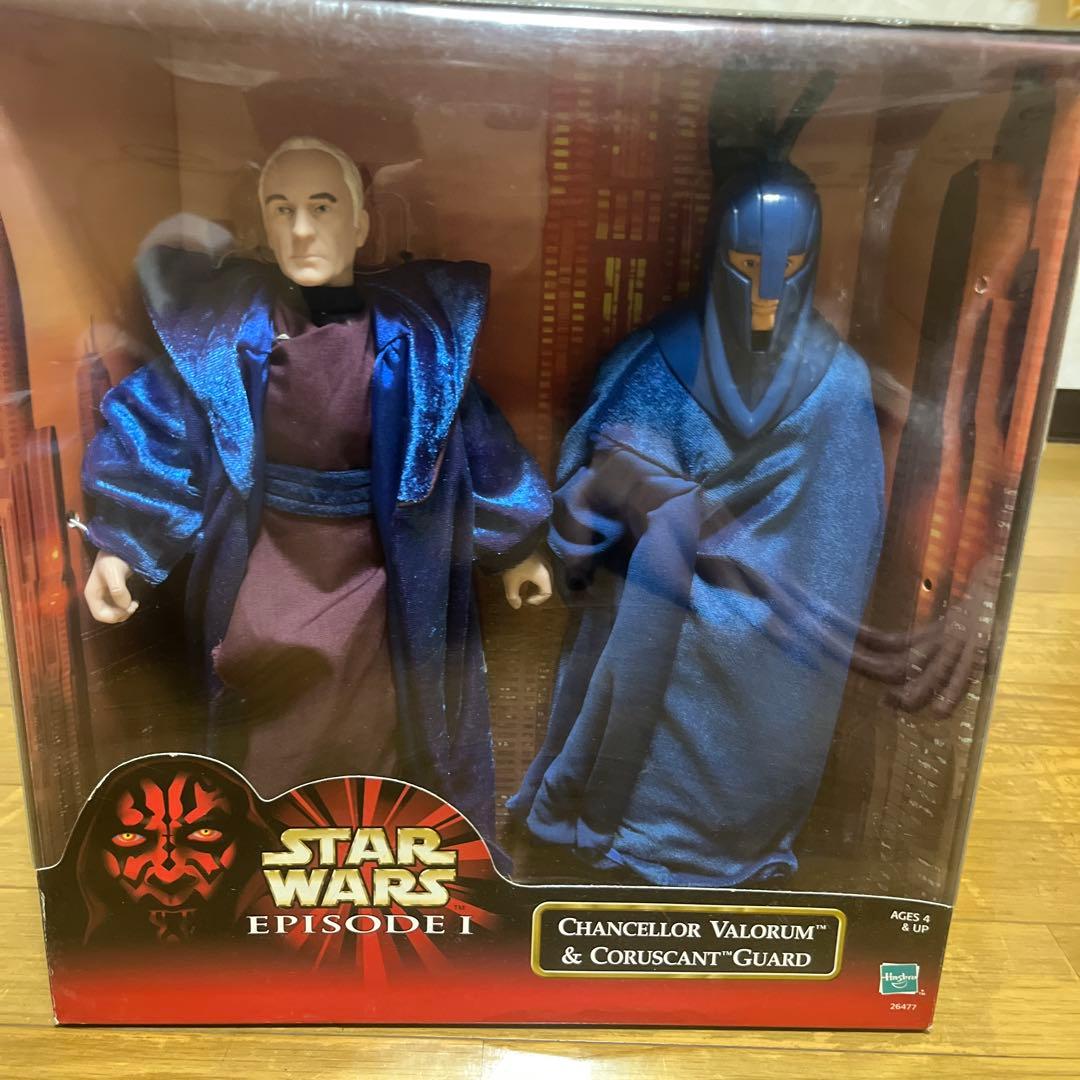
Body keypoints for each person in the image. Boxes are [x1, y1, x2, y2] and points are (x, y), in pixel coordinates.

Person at [82, 136, 552, 836]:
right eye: (283, 209)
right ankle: (268, 845)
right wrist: (122, 546)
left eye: (323, 207)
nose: (302, 229)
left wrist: (516, 547)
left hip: (381, 565)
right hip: (270, 556)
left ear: (360, 225)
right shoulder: (225, 336)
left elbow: (471, 440)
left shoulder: (417, 340)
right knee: (264, 703)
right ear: (265, 227)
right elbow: (162, 431)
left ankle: (373, 845)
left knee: (385, 714)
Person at [509, 152, 885, 887]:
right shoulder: (657, 361)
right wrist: (643, 508)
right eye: (747, 263)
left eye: (790, 265)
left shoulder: (841, 385)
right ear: (718, 252)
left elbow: (845, 543)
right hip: (659, 617)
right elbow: (587, 497)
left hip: (778, 648)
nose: (767, 294)